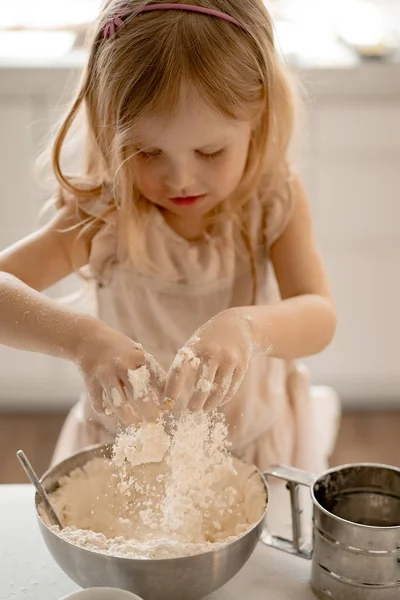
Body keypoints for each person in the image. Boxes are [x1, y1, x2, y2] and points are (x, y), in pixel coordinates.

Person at [0, 1, 339, 473]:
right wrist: (83, 340)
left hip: (250, 453)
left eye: (210, 151)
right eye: (146, 152)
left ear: (257, 113)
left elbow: (319, 316)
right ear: (108, 129)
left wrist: (247, 329)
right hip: (129, 464)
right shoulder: (105, 212)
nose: (180, 179)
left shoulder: (270, 200)